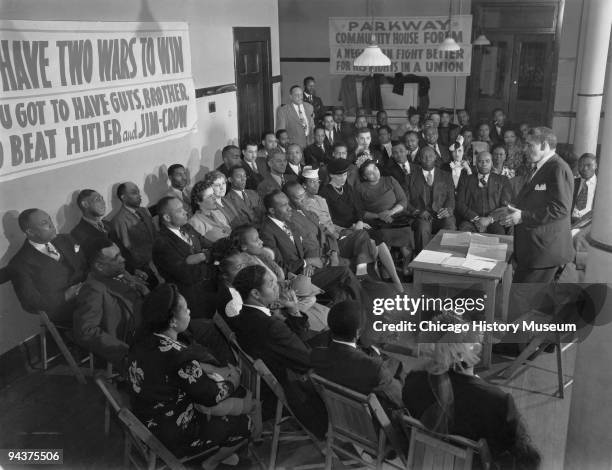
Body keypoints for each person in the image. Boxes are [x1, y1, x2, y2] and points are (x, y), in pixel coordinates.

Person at [128, 283, 256, 467]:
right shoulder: (177, 354)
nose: (189, 311)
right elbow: (211, 395)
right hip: (172, 433)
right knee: (245, 424)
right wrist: (233, 380)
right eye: (186, 309)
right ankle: (210, 463)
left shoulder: (140, 339)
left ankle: (219, 453)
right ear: (172, 321)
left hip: (145, 417)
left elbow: (172, 374)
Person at [402, 313, 540, 469]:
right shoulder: (497, 401)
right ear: (470, 350)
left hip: (426, 463)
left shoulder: (413, 381)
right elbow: (523, 455)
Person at [259, 190, 363, 305]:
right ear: (272, 210)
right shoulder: (266, 232)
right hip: (294, 279)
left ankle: (351, 312)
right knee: (344, 272)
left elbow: (305, 247)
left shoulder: (288, 223)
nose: (289, 208)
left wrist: (309, 263)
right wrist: (306, 262)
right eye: (284, 205)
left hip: (309, 270)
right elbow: (278, 268)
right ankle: (367, 307)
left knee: (340, 288)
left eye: (288, 203)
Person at [498, 127, 574, 283]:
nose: (525, 149)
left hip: (544, 251)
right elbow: (538, 201)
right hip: (534, 251)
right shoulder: (541, 167)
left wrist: (522, 216)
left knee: (522, 302)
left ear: (544, 145)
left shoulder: (558, 168)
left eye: (530, 145)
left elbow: (560, 209)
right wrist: (515, 210)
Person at [311, 300, 404, 409]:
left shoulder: (315, 355)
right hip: (370, 421)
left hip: (337, 412)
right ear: (357, 332)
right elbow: (400, 399)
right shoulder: (375, 369)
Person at [74, 238, 148, 368]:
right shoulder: (93, 289)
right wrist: (124, 351)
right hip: (134, 344)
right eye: (116, 258)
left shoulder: (120, 273)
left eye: (120, 254)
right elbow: (86, 331)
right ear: (99, 266)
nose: (123, 259)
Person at [9, 208, 87, 323]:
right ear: (30, 232)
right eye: (44, 223)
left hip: (90, 293)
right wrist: (65, 296)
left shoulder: (66, 239)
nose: (52, 225)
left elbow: (85, 265)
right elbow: (29, 303)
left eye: (49, 219)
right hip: (65, 310)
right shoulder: (20, 263)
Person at [152, 196, 216, 318]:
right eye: (179, 210)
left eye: (183, 208)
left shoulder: (186, 227)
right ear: (166, 217)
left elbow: (209, 245)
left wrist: (203, 256)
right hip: (193, 297)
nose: (185, 212)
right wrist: (207, 259)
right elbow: (186, 275)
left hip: (208, 284)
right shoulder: (162, 244)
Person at [354, 160, 414, 275]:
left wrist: (391, 212)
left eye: (375, 169)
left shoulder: (390, 180)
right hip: (376, 220)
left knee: (406, 238)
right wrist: (378, 215)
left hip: (397, 216)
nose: (375, 173)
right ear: (364, 177)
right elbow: (360, 211)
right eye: (370, 173)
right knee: (383, 237)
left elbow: (403, 200)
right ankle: (386, 270)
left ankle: (406, 268)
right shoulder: (360, 188)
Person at [406, 147, 456, 253]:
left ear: (435, 157)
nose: (427, 158)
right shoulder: (410, 178)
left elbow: (451, 197)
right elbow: (405, 201)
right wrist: (418, 212)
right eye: (424, 156)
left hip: (441, 215)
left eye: (430, 155)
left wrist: (448, 209)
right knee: (423, 227)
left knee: (449, 224)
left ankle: (449, 257)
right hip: (421, 217)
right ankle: (424, 261)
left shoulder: (446, 176)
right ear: (419, 159)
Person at [455, 151, 512, 234]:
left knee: (499, 234)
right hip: (471, 220)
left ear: (492, 163)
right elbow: (460, 203)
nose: (484, 164)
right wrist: (476, 219)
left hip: (494, 221)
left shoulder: (502, 180)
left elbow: (506, 205)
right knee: (464, 232)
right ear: (476, 163)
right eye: (480, 161)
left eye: (487, 161)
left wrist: (489, 219)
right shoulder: (465, 180)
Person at [110, 182, 157, 279]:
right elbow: (127, 248)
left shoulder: (144, 211)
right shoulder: (119, 220)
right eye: (134, 193)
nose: (139, 196)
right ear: (123, 197)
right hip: (145, 266)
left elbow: (154, 233)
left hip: (159, 256)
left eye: (138, 192)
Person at [571, 153, 597, 223]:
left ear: (595, 166)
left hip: (590, 225)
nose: (585, 168)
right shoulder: (571, 182)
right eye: (581, 165)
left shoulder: (600, 186)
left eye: (589, 165)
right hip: (570, 223)